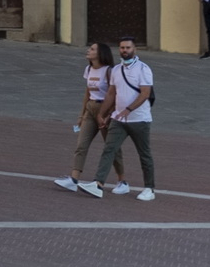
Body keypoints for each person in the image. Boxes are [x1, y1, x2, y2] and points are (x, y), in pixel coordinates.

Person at [84, 36, 156, 201]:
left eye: (128, 48)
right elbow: (111, 93)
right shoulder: (116, 70)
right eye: (122, 48)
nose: (125, 51)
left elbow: (145, 93)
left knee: (144, 154)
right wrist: (101, 114)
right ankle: (98, 184)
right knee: (109, 149)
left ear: (134, 49)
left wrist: (128, 109)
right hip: (119, 120)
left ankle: (149, 188)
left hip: (139, 120)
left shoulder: (143, 69)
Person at [55, 41, 113, 194]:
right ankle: (74, 179)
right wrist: (81, 115)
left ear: (100, 53)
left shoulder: (109, 71)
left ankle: (122, 180)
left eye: (92, 49)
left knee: (111, 147)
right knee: (81, 144)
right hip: (90, 109)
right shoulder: (88, 69)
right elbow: (87, 93)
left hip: (104, 110)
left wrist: (107, 114)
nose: (88, 51)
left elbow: (114, 94)